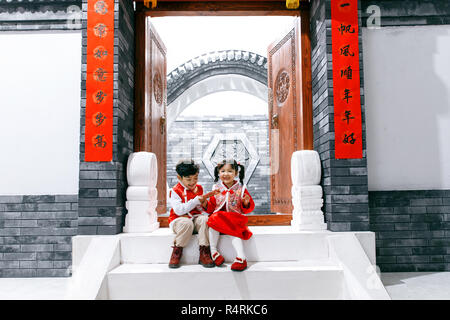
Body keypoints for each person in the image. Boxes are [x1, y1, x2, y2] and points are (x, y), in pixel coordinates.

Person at [203, 159, 255, 271]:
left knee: (232, 228)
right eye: (223, 171)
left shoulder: (241, 189)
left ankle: (241, 257)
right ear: (218, 172)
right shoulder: (216, 188)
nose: (226, 174)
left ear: (236, 173)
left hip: (234, 219)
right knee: (212, 219)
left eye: (230, 171)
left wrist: (245, 202)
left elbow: (246, 208)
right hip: (219, 220)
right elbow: (211, 207)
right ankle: (213, 251)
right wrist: (204, 202)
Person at [168, 159, 219, 268]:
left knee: (205, 219)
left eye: (195, 178)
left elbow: (203, 210)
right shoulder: (175, 191)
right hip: (179, 221)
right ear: (179, 178)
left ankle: (204, 251)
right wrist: (195, 201)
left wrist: (204, 203)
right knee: (187, 223)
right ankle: (177, 251)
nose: (192, 182)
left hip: (195, 219)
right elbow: (179, 210)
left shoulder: (199, 188)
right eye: (188, 179)